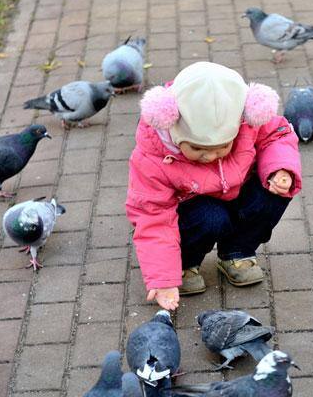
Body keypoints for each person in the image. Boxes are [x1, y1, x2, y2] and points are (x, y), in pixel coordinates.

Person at [126, 61, 302, 311]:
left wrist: (280, 169)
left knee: (274, 192)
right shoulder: (154, 156)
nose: (210, 156)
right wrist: (164, 278)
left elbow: (278, 135)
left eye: (222, 147)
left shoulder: (247, 118)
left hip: (236, 190)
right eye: (197, 148)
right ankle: (185, 263)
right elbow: (152, 216)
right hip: (191, 210)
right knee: (211, 217)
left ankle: (237, 251)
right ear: (173, 128)